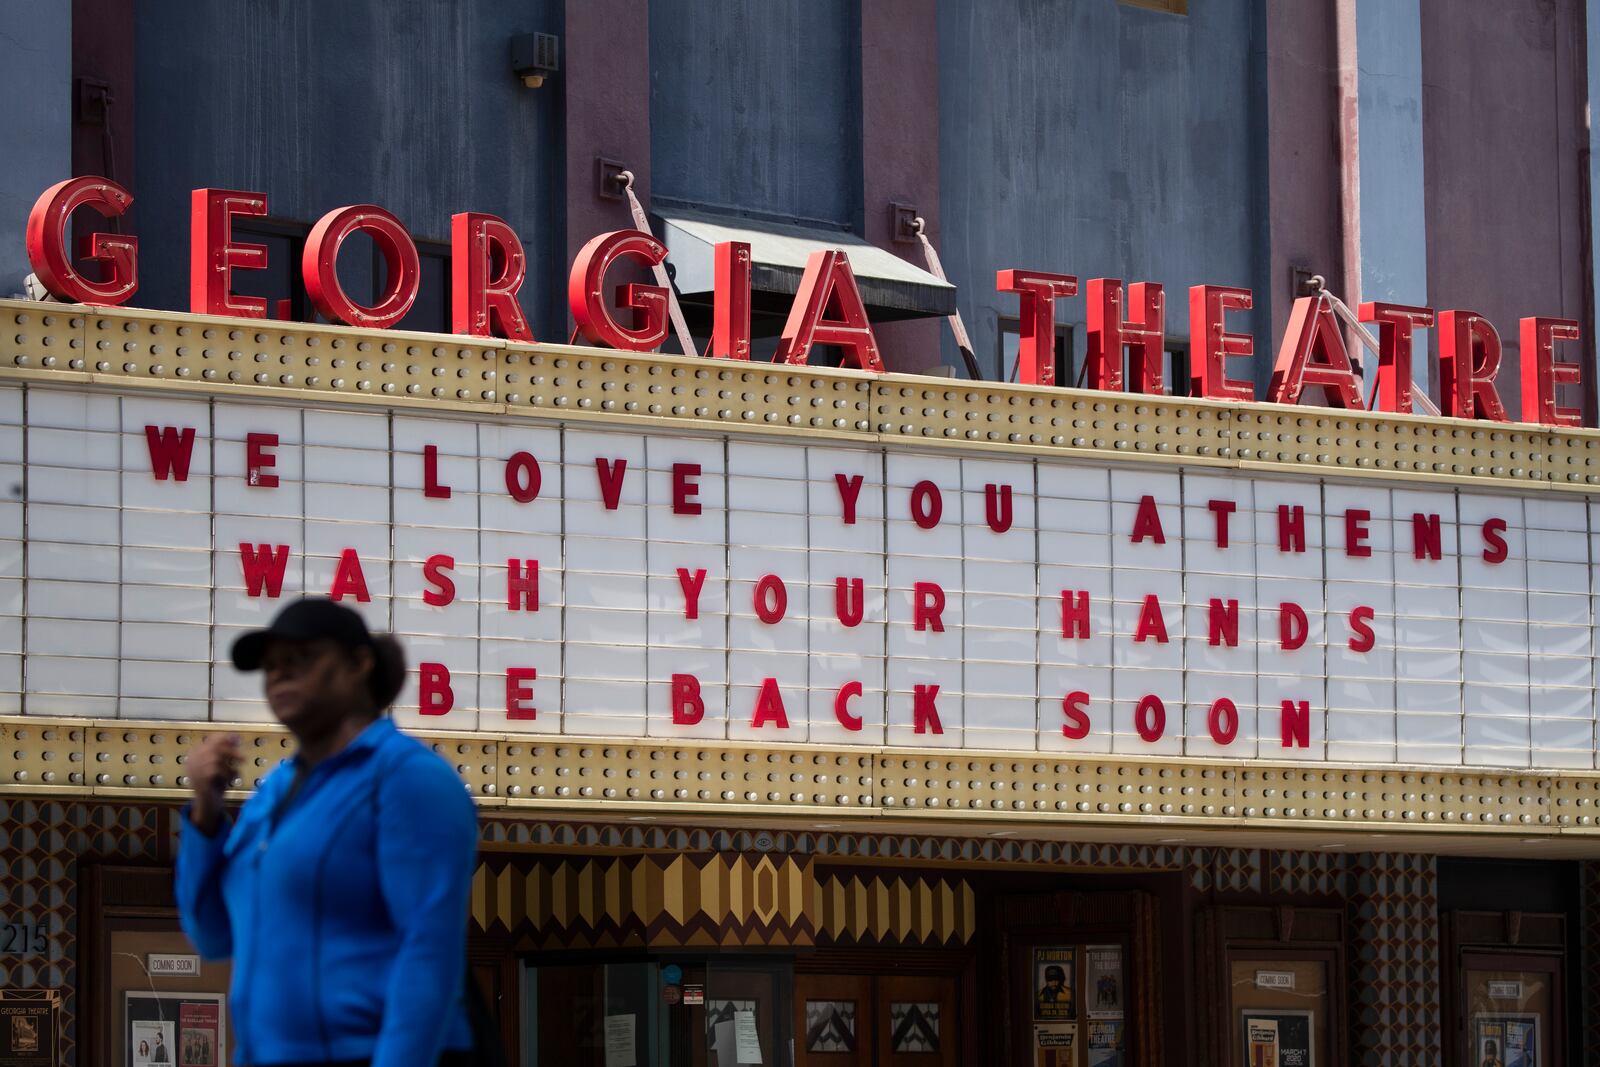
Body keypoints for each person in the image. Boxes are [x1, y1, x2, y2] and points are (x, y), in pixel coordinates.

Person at [176, 598, 480, 1067]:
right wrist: (205, 809)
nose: (279, 674)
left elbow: (429, 949)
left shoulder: (407, 778)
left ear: (359, 664)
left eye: (301, 658)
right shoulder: (273, 794)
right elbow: (213, 936)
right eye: (271, 665)